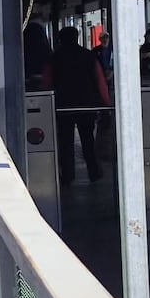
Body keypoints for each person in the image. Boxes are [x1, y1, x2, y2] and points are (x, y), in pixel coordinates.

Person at [42, 26, 111, 184]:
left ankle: (68, 175)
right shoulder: (89, 55)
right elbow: (100, 81)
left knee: (65, 142)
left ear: (60, 39)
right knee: (88, 140)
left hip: (63, 105)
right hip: (86, 104)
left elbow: (47, 81)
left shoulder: (55, 57)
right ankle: (94, 172)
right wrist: (106, 103)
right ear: (77, 37)